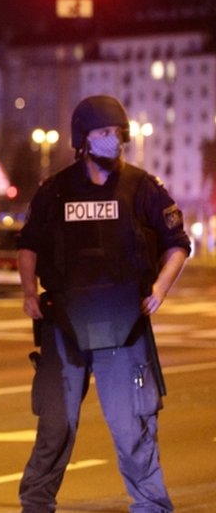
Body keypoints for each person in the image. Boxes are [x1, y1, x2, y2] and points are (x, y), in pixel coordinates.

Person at [16, 95, 191, 513]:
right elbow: (28, 246)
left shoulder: (142, 187)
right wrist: (27, 293)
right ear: (83, 139)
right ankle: (35, 504)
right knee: (57, 426)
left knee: (133, 425)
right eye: (104, 133)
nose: (114, 141)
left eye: (118, 133)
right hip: (64, 324)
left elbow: (178, 244)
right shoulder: (55, 191)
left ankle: (151, 506)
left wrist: (161, 289)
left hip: (125, 324)